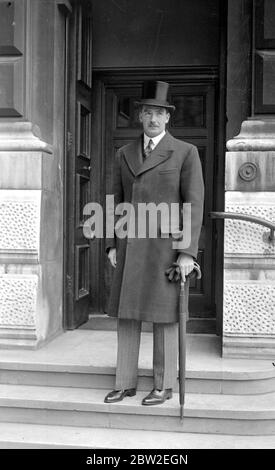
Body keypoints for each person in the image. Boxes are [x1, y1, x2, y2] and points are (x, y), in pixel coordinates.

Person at [104, 80, 204, 406]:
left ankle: (163, 385)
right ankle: (125, 382)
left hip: (165, 251)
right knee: (127, 314)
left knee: (164, 317)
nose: (153, 119)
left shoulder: (186, 152)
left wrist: (187, 252)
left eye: (159, 113)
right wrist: (110, 245)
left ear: (168, 118)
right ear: (140, 117)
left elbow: (193, 205)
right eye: (148, 112)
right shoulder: (123, 154)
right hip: (131, 247)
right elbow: (113, 201)